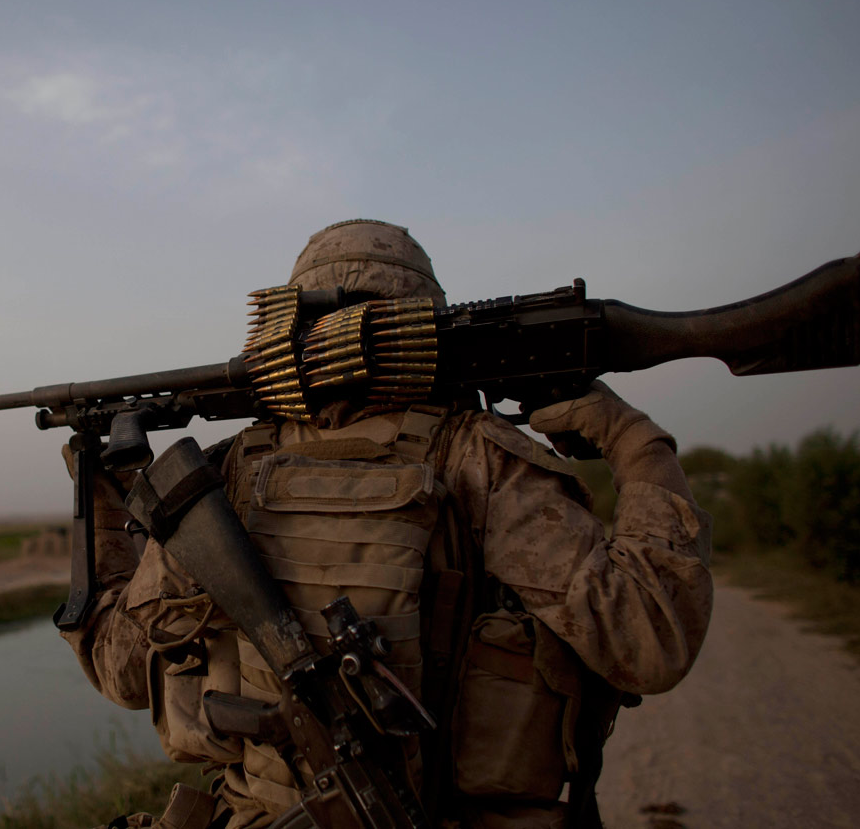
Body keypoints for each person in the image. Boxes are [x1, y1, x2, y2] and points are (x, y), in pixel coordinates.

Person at [60, 220, 714, 829]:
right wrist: (634, 441)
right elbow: (649, 636)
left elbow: (121, 666)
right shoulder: (477, 456)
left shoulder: (220, 476)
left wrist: (102, 490)